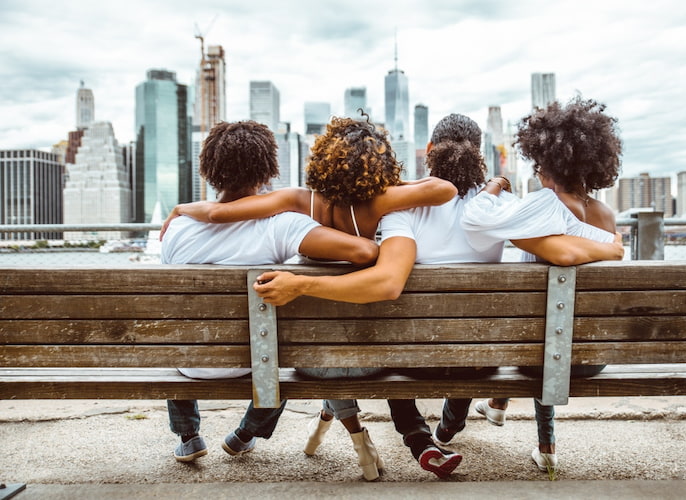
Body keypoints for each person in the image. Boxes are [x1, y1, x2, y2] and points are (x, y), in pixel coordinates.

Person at [252, 113, 624, 478]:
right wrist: (611, 246)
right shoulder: (498, 209)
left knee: (391, 345)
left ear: (429, 150)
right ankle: (445, 431)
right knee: (466, 335)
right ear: (479, 154)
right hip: (482, 357)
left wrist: (301, 283)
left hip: (418, 358)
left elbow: (386, 283)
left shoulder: (402, 208)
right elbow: (557, 247)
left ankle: (421, 438)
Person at [160, 115, 457, 481]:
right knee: (277, 350)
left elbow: (219, 213)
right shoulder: (290, 225)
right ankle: (247, 433)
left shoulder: (292, 204)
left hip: (191, 359)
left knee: (230, 336)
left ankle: (189, 434)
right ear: (269, 169)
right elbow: (428, 201)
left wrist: (181, 209)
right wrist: (383, 185)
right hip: (286, 358)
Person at [459, 95, 623, 473]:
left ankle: (495, 417)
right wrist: (611, 251)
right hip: (594, 356)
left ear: (546, 160)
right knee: (553, 327)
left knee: (545, 335)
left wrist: (494, 186)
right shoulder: (606, 214)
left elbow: (476, 218)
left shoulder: (544, 205)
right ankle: (513, 419)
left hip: (542, 354)